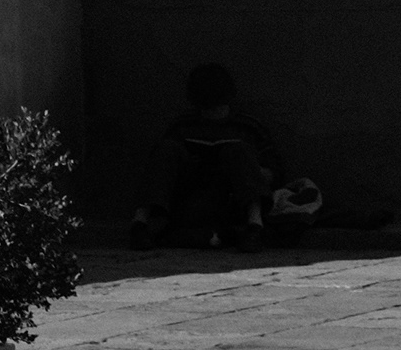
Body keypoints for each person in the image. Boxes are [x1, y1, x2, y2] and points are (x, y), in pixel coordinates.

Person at [131, 62, 315, 250]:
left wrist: (247, 168)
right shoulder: (182, 126)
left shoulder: (248, 127)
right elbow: (160, 167)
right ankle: (140, 224)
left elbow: (274, 172)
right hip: (191, 199)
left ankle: (254, 226)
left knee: (238, 150)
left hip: (231, 198)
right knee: (166, 148)